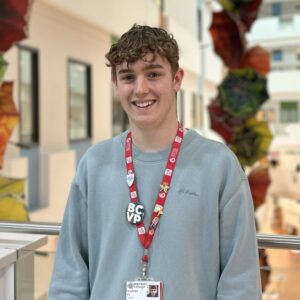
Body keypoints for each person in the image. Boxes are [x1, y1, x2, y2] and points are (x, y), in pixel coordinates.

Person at [49, 24, 262, 299]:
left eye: (153, 74)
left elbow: (240, 281)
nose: (141, 89)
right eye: (128, 76)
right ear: (116, 85)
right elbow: (70, 274)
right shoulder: (94, 165)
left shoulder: (219, 166)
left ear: (176, 79)